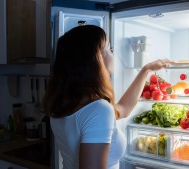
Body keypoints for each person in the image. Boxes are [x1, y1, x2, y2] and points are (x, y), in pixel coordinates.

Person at [42, 25, 171, 169]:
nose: (113, 54)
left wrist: (145, 70)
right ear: (96, 59)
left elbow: (123, 109)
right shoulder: (98, 109)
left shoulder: (62, 102)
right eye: (109, 49)